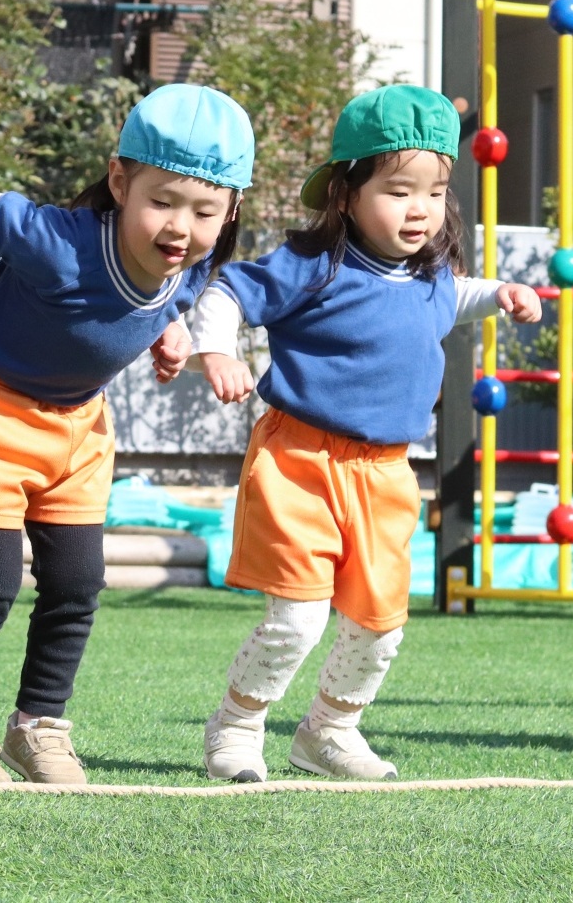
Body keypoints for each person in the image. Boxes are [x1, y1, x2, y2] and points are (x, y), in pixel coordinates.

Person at [0, 83, 254, 784]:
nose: (179, 227)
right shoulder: (58, 243)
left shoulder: (189, 268)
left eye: (204, 211)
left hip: (79, 427)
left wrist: (171, 332)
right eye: (161, 201)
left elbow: (160, 301)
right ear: (119, 182)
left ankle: (37, 726)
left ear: (230, 211)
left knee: (76, 581)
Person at [190, 84, 541, 782]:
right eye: (398, 190)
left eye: (434, 191)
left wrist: (498, 294)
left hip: (386, 472)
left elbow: (454, 297)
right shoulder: (312, 265)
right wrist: (216, 351)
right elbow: (228, 291)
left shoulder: (429, 275)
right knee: (297, 617)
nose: (420, 208)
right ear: (345, 195)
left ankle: (327, 732)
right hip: (299, 460)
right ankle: (236, 727)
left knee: (380, 623)